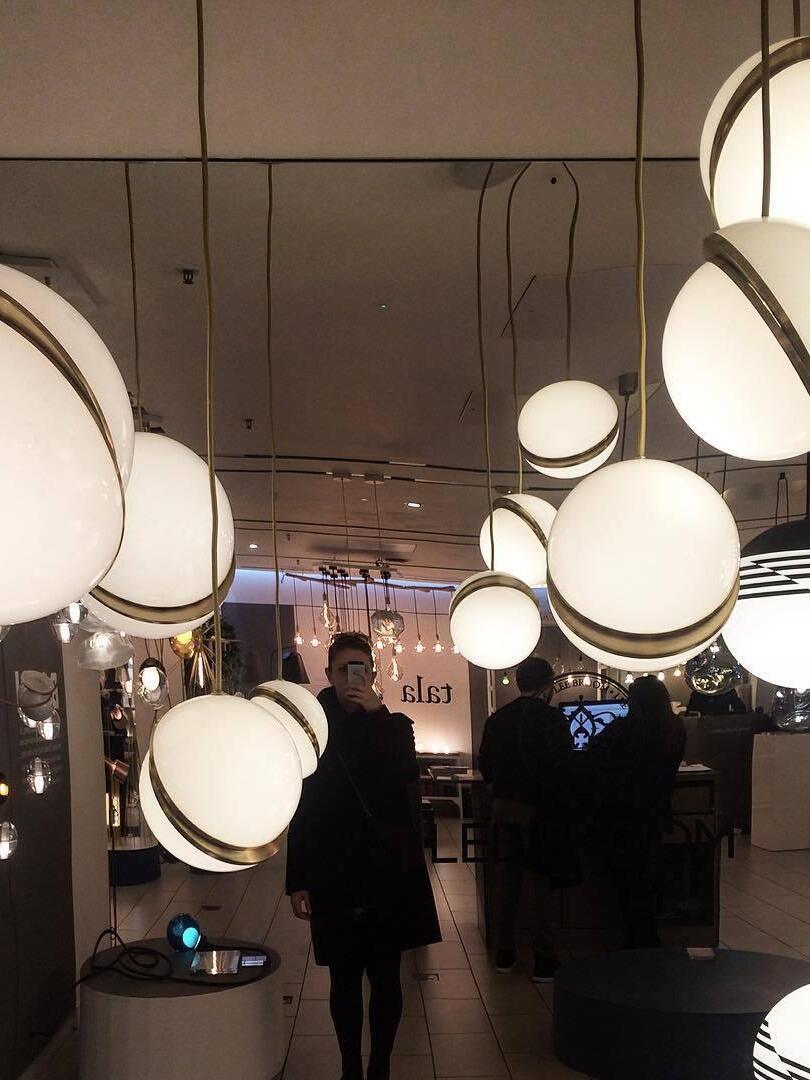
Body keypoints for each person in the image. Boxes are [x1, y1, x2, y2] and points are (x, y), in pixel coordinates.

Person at [286, 632, 440, 1080]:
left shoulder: (394, 726)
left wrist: (378, 716)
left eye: (361, 670)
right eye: (343, 670)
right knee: (343, 978)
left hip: (384, 870)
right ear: (329, 674)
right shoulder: (313, 730)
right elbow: (302, 804)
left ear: (372, 674)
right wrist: (297, 879)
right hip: (333, 869)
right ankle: (350, 1067)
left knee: (387, 976)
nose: (352, 679)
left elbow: (404, 776)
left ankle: (381, 1066)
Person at [478, 655, 570, 982]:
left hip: (505, 808)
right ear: (549, 684)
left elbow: (486, 765)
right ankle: (543, 959)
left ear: (519, 683)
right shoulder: (552, 719)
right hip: (541, 809)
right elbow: (564, 766)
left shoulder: (497, 720)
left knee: (507, 882)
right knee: (539, 884)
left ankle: (505, 953)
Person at [594, 675, 687, 949]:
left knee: (627, 881)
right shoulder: (675, 729)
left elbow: (595, 755)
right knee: (644, 879)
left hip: (621, 816)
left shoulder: (625, 728)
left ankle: (638, 940)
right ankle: (646, 939)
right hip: (656, 814)